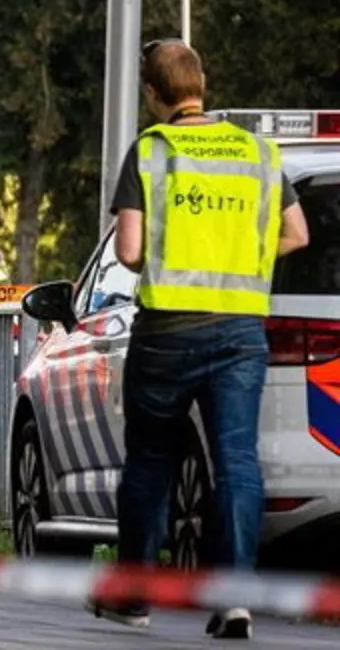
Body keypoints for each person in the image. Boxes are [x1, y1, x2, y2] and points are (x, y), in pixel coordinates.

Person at [87, 40, 309, 639]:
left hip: (168, 331)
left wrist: (173, 259)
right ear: (201, 82)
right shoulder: (257, 152)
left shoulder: (152, 149)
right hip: (239, 330)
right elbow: (297, 234)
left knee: (151, 461)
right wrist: (239, 259)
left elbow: (129, 251)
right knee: (236, 461)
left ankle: (134, 597)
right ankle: (235, 599)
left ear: (152, 93)